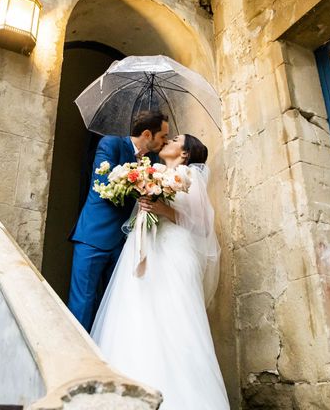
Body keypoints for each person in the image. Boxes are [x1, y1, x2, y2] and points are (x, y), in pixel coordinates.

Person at [91, 134, 230, 409]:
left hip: (174, 252)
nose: (168, 141)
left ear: (186, 153)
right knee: (136, 312)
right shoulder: (154, 171)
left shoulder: (188, 175)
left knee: (175, 317)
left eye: (175, 139)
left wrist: (162, 209)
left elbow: (202, 226)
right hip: (147, 248)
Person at [68, 111, 169, 331]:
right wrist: (139, 181)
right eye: (162, 136)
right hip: (93, 236)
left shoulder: (152, 160)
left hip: (125, 244)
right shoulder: (111, 144)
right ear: (146, 134)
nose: (165, 142)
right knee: (83, 303)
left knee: (113, 306)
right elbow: (104, 182)